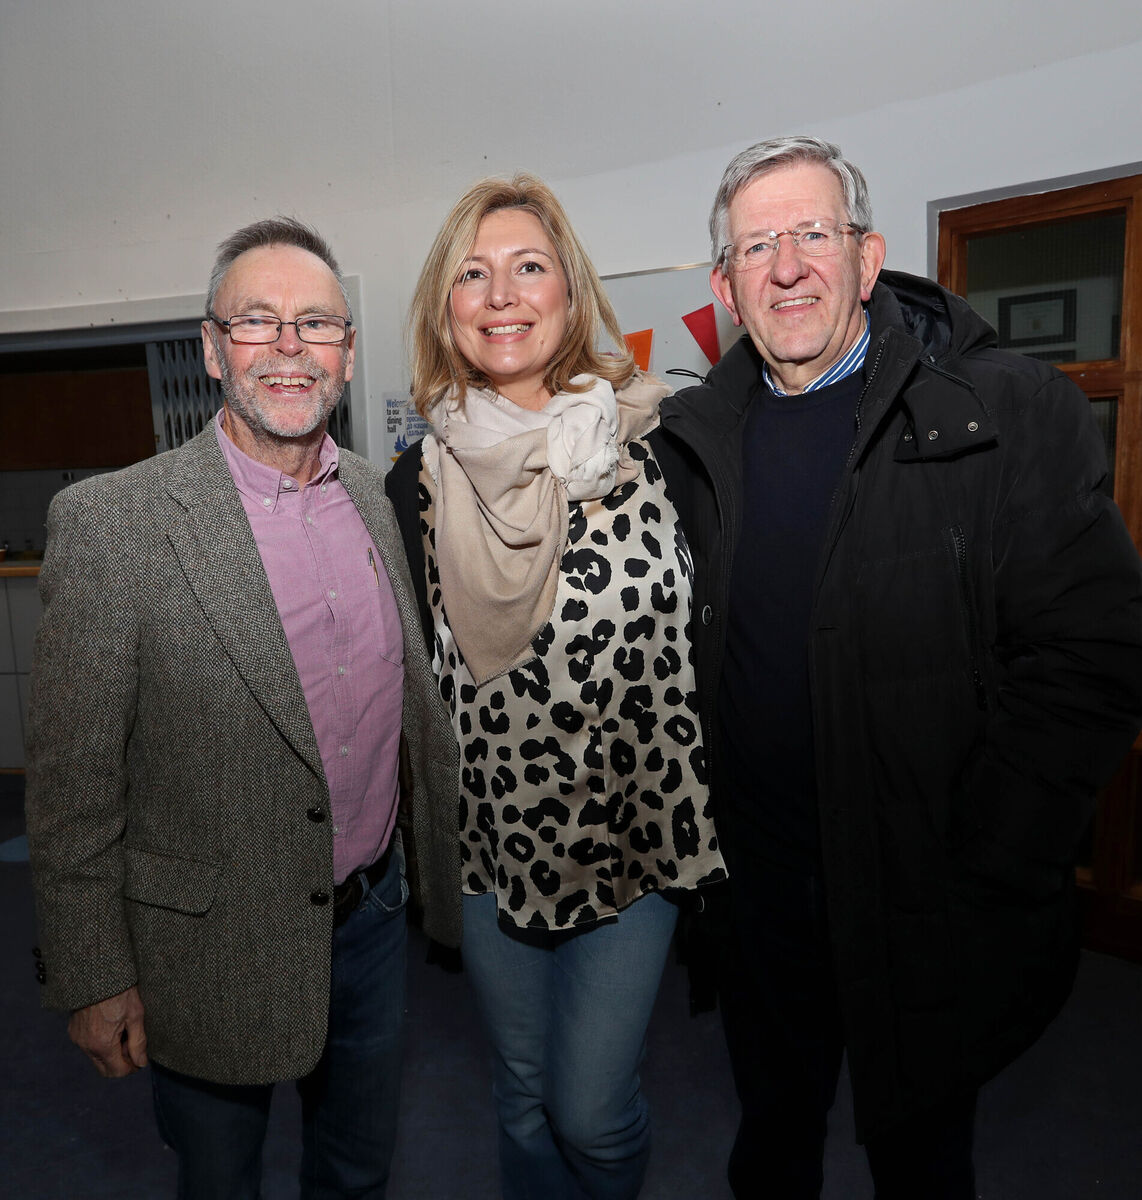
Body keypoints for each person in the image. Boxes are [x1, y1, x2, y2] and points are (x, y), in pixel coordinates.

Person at [652, 136, 1142, 1199]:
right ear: (724, 285)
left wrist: (991, 856)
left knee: (922, 1162)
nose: (784, 265)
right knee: (769, 1141)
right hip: (759, 899)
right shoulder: (689, 446)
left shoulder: (1002, 414)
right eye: (755, 245)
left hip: (924, 903)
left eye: (811, 235)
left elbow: (1091, 653)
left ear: (866, 259)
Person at [25, 216, 460, 1200]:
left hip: (371, 919)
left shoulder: (377, 497)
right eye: (257, 323)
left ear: (348, 354)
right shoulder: (112, 524)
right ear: (214, 351)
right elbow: (71, 788)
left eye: (315, 323)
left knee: (356, 1166)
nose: (289, 347)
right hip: (208, 945)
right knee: (219, 1181)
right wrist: (95, 974)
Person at [385, 174, 726, 1200]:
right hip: (488, 849)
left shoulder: (667, 448)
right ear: (444, 309)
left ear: (570, 297)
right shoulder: (414, 479)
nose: (500, 294)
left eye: (528, 267)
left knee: (588, 1106)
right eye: (471, 275)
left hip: (634, 841)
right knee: (522, 1090)